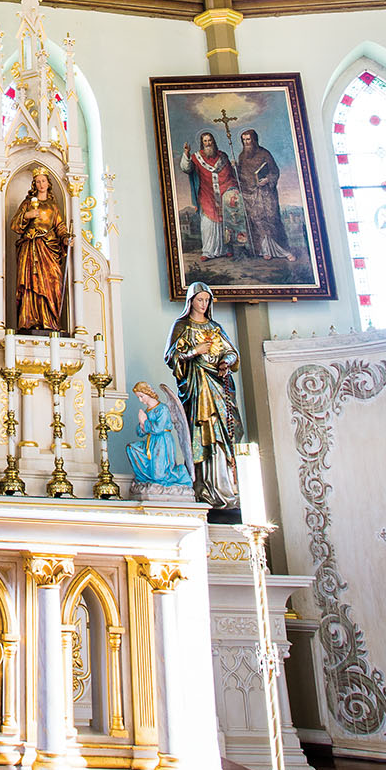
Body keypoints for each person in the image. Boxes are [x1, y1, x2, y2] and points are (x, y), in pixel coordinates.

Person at [164, 282, 242, 508]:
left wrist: (226, 362)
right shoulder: (182, 325)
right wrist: (194, 352)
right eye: (200, 300)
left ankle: (224, 488)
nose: (204, 304)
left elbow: (231, 352)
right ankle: (204, 487)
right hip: (197, 387)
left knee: (222, 432)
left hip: (217, 384)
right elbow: (171, 357)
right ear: (191, 302)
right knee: (201, 431)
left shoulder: (215, 327)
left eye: (207, 300)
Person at [11, 165, 70, 333]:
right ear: (34, 184)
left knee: (52, 283)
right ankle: (29, 319)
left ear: (48, 183)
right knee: (30, 283)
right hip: (30, 246)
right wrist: (27, 216)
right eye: (37, 181)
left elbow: (60, 227)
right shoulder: (27, 204)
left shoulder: (53, 206)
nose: (41, 184)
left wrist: (65, 238)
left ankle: (49, 320)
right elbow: (14, 225)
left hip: (48, 249)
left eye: (43, 181)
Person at [180, 130, 243, 259]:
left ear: (213, 141)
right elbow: (186, 168)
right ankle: (208, 252)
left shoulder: (223, 156)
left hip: (223, 191)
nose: (208, 144)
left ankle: (226, 249)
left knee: (226, 220)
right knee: (208, 223)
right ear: (202, 143)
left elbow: (229, 175)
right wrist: (186, 154)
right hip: (206, 193)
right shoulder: (197, 157)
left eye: (210, 141)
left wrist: (232, 184)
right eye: (205, 141)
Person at [237, 128, 290, 259]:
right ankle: (264, 250)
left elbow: (274, 171)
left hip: (266, 193)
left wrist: (267, 179)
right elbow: (241, 176)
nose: (246, 142)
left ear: (254, 140)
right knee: (257, 221)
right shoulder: (242, 157)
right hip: (251, 195)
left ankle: (280, 251)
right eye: (244, 140)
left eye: (248, 139)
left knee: (271, 219)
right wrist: (235, 168)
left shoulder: (265, 153)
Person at [125, 381, 191, 487]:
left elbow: (158, 428)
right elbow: (140, 432)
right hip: (151, 442)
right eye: (139, 397)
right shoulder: (147, 411)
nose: (140, 400)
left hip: (162, 442)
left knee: (159, 475)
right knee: (132, 449)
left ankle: (181, 473)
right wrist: (142, 423)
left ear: (148, 393)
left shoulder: (162, 409)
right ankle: (144, 479)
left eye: (141, 396)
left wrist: (144, 422)